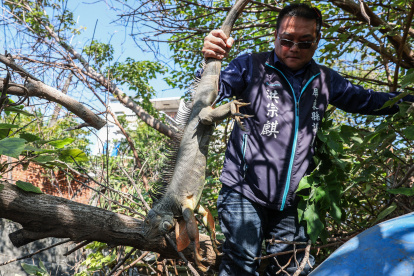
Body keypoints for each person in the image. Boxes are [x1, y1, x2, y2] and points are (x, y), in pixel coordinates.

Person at [201, 3, 414, 276]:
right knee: (241, 264)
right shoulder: (250, 66)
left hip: (293, 202)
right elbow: (209, 95)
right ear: (275, 35)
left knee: (292, 270)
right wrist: (211, 60)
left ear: (317, 41)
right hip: (244, 191)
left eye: (305, 42)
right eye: (286, 40)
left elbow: (369, 100)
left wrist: (407, 102)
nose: (294, 48)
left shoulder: (324, 79)